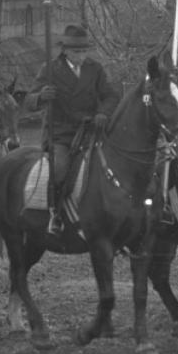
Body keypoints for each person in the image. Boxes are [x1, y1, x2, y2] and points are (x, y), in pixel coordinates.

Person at [25, 23, 118, 234]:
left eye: (84, 51)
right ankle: (55, 213)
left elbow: (111, 95)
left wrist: (103, 112)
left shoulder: (95, 69)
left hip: (91, 130)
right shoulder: (49, 70)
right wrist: (41, 97)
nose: (81, 55)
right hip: (61, 134)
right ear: (65, 50)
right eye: (77, 51)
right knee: (59, 170)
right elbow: (29, 101)